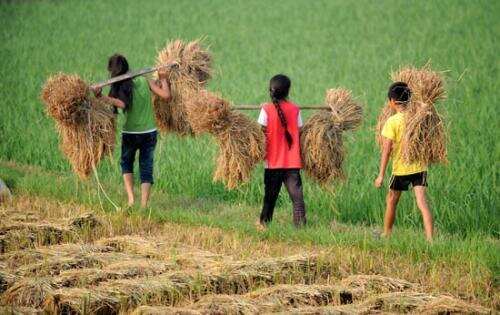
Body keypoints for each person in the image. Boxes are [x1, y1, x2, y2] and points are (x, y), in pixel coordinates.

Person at [93, 54, 171, 208]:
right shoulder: (144, 79)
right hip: (149, 132)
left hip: (131, 134)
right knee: (146, 167)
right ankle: (144, 205)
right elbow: (166, 95)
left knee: (126, 164)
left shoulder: (121, 85)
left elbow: (121, 104)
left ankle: (131, 200)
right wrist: (163, 79)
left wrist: (100, 96)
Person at [374, 82, 433, 241]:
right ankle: (431, 240)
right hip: (419, 167)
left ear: (392, 102)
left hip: (400, 169)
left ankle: (386, 234)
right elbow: (425, 109)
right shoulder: (417, 117)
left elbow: (386, 150)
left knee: (391, 200)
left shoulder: (392, 122)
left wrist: (380, 175)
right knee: (422, 202)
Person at [256, 74, 306, 229]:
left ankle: (264, 225)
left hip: (272, 163)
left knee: (270, 198)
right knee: (297, 199)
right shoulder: (295, 110)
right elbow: (300, 130)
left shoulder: (266, 109)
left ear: (271, 91)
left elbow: (260, 131)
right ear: (288, 91)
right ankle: (300, 228)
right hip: (292, 163)